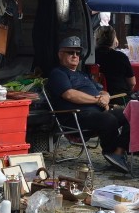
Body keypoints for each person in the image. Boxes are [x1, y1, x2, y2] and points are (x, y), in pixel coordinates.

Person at [48, 36, 131, 173]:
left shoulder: (83, 74)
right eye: (70, 52)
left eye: (77, 53)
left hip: (96, 114)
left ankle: (118, 151)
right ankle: (112, 152)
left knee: (130, 114)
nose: (75, 56)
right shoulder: (58, 73)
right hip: (76, 117)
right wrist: (97, 100)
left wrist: (105, 96)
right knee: (108, 119)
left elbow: (102, 91)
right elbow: (69, 94)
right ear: (60, 54)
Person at [94, 26, 136, 105]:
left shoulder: (90, 56)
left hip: (95, 97)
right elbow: (132, 83)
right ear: (113, 39)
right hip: (119, 98)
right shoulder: (121, 57)